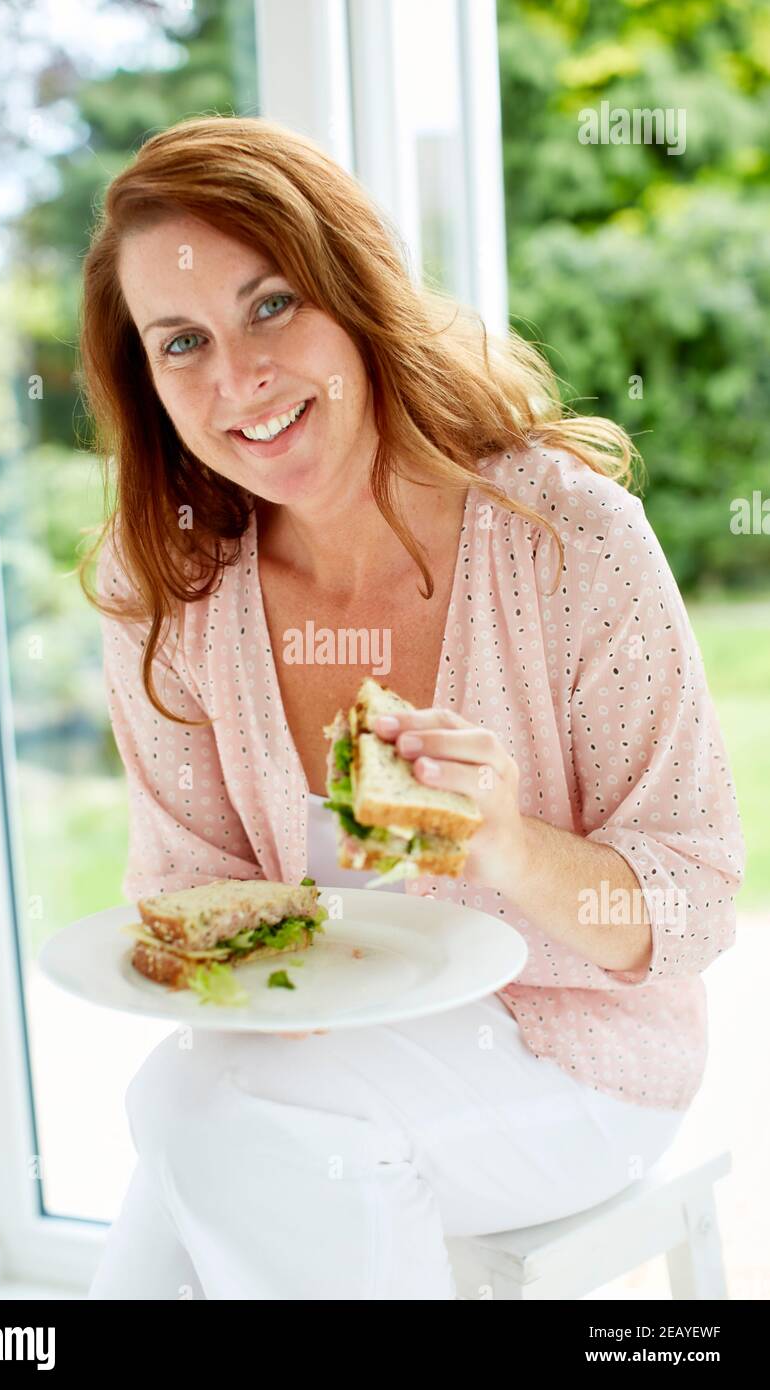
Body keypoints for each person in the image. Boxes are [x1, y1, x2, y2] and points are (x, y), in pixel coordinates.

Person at [78, 116, 745, 1299]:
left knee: (201, 1106)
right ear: (146, 377)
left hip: (572, 1062)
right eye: (181, 341)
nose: (238, 379)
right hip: (292, 1062)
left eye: (271, 305)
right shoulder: (169, 591)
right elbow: (184, 894)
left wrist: (503, 840)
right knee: (210, 1120)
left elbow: (689, 909)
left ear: (354, 290)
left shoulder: (564, 539)